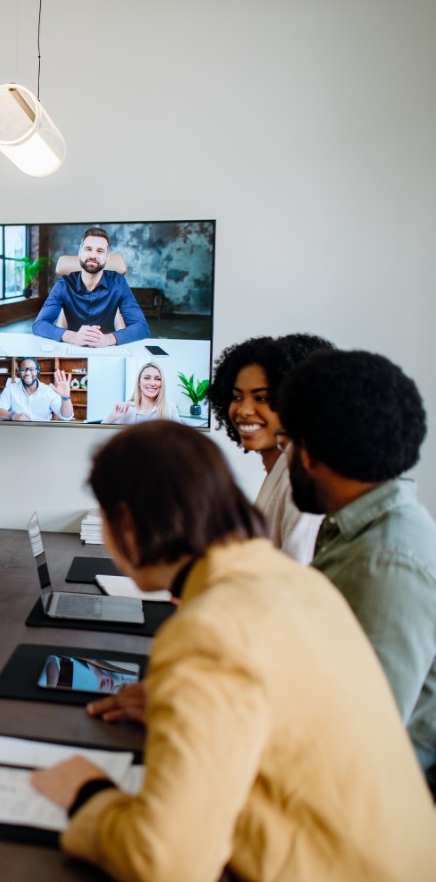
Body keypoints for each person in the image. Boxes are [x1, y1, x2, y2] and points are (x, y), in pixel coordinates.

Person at [29, 421, 436, 880]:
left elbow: (166, 863)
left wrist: (88, 795)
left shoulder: (208, 629)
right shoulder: (293, 581)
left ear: (127, 523)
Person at [278, 348, 436, 789]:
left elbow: (354, 742)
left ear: (308, 454)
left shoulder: (385, 564)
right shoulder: (356, 530)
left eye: (287, 443)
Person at [209, 333, 334, 563]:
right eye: (237, 397)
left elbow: (296, 571)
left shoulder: (302, 478)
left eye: (262, 398)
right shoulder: (280, 468)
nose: (244, 410)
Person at [31, 227, 150, 347]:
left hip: (106, 348)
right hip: (72, 347)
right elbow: (39, 324)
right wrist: (72, 336)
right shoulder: (64, 284)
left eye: (100, 251)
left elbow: (141, 327)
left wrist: (109, 339)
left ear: (107, 257)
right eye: (88, 249)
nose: (93, 255)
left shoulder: (118, 282)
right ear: (80, 253)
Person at [0, 358, 74, 422]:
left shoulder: (48, 391)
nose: (27, 373)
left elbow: (66, 417)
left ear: (38, 371)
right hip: (17, 431)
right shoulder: (10, 389)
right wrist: (13, 416)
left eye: (32, 369)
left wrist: (65, 397)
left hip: (42, 433)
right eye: (23, 369)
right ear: (19, 372)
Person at [103, 362, 182, 425]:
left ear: (162, 384)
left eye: (157, 379)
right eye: (147, 378)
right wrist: (112, 417)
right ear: (139, 382)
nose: (152, 383)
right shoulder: (125, 409)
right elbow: (99, 434)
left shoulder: (170, 408)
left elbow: (181, 436)